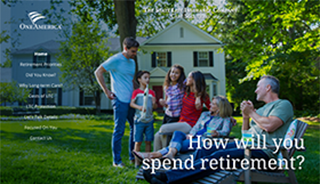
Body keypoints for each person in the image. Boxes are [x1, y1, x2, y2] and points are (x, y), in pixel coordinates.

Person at [143, 75, 294, 184]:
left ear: (268, 88)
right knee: (206, 150)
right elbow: (246, 136)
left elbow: (270, 126)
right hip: (247, 146)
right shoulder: (261, 109)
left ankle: (168, 177)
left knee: (220, 156)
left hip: (264, 154)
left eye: (258, 87)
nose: (255, 91)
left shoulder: (283, 104)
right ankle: (181, 177)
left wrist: (251, 113)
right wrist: (246, 118)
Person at [133, 96, 233, 161]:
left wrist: (218, 133)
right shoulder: (205, 114)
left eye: (213, 104)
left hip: (205, 141)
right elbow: (196, 126)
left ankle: (152, 155)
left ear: (219, 108)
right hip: (194, 138)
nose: (210, 105)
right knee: (178, 133)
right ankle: (168, 155)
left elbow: (226, 132)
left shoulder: (225, 119)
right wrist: (190, 134)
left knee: (181, 144)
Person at [94, 37, 139, 168]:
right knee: (119, 130)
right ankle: (117, 161)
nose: (135, 54)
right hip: (120, 100)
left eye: (136, 51)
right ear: (125, 48)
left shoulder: (132, 62)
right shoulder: (116, 59)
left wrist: (140, 90)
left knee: (135, 128)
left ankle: (132, 157)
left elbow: (130, 80)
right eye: (132, 51)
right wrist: (107, 91)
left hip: (131, 101)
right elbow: (98, 72)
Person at [153, 71, 211, 151]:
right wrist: (165, 102)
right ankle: (154, 157)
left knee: (163, 128)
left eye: (189, 77)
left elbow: (212, 108)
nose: (187, 79)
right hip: (181, 121)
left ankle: (164, 153)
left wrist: (227, 116)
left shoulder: (203, 96)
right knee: (157, 135)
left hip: (190, 124)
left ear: (194, 80)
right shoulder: (185, 91)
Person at [130, 71, 157, 168]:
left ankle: (147, 161)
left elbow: (154, 106)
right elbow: (131, 104)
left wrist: (154, 103)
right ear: (139, 79)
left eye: (149, 78)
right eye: (145, 77)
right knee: (138, 142)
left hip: (149, 120)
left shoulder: (151, 92)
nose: (148, 80)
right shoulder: (136, 92)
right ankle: (137, 162)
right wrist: (139, 107)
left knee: (148, 141)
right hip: (139, 121)